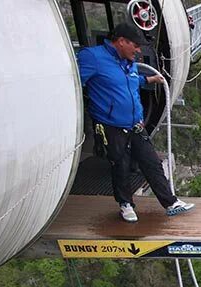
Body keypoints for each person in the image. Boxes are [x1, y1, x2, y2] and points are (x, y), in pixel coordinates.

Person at [77, 23, 194, 223]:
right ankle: (126, 204)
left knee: (151, 162)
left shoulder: (127, 60)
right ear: (121, 42)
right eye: (136, 45)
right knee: (120, 164)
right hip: (111, 125)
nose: (139, 50)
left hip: (135, 123)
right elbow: (75, 82)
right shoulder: (93, 58)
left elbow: (128, 82)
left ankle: (170, 203)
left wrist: (148, 80)